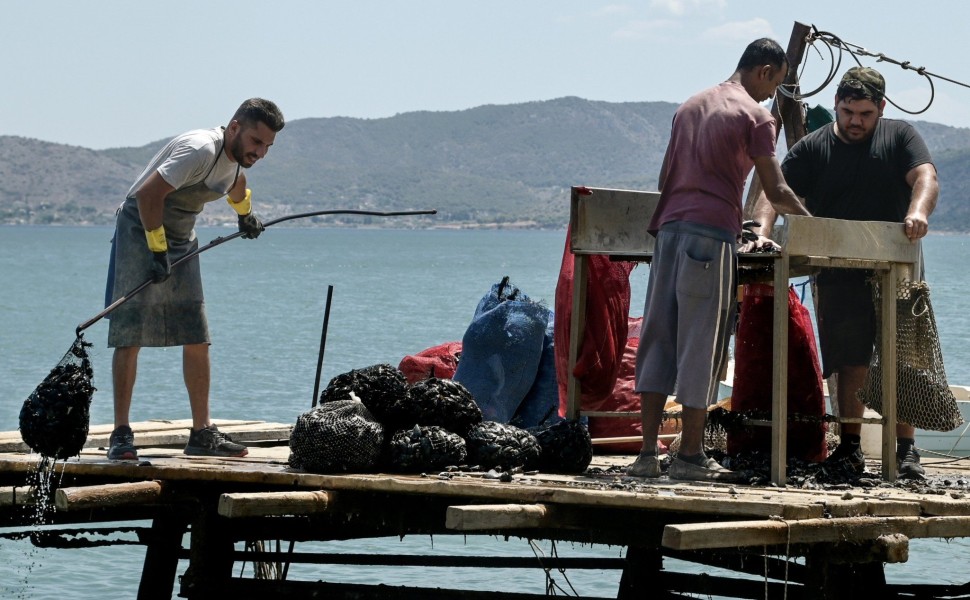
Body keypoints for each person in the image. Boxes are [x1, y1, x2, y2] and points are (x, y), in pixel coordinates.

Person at [626, 39, 811, 481]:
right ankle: (690, 455)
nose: (772, 96)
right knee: (700, 345)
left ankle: (647, 455)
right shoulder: (756, 115)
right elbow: (777, 189)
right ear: (765, 71)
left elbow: (665, 175)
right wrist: (814, 225)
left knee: (658, 339)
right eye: (775, 85)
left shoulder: (689, 105)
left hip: (668, 232)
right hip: (710, 238)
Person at [749, 66, 938, 479]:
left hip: (896, 262)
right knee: (849, 360)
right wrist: (762, 231)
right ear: (836, 105)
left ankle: (906, 450)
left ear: (881, 109)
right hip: (838, 268)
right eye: (848, 111)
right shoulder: (815, 146)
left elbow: (925, 176)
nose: (855, 121)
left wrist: (918, 211)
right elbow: (774, 188)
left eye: (865, 114)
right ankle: (850, 447)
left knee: (903, 358)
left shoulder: (900, 136)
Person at [104, 98, 285, 460]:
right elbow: (148, 194)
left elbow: (236, 185)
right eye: (255, 141)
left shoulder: (234, 165)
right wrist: (156, 249)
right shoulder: (200, 149)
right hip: (140, 232)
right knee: (130, 333)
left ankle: (201, 433)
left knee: (197, 334)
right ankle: (121, 434)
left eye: (267, 146)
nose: (260, 152)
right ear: (234, 127)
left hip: (182, 240)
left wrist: (246, 216)